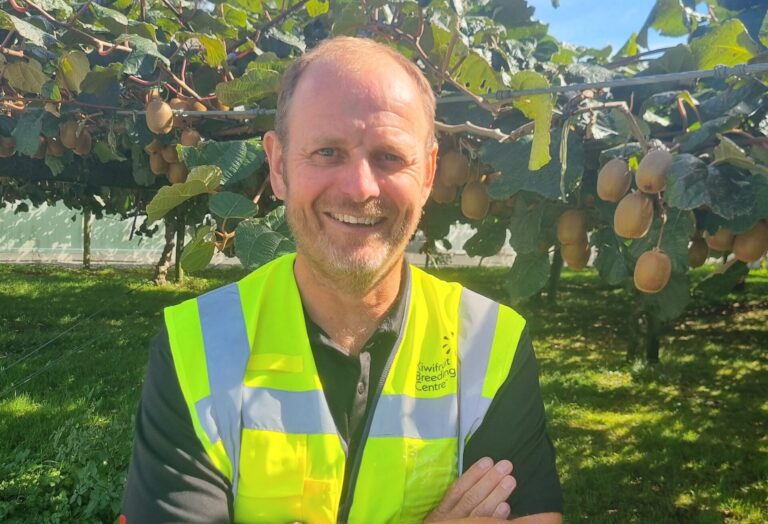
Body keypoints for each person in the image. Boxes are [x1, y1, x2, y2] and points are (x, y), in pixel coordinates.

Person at [122, 36, 563, 523]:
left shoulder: (492, 345)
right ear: (278, 166)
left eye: (390, 157)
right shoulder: (196, 348)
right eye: (328, 151)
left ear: (430, 172)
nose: (360, 188)